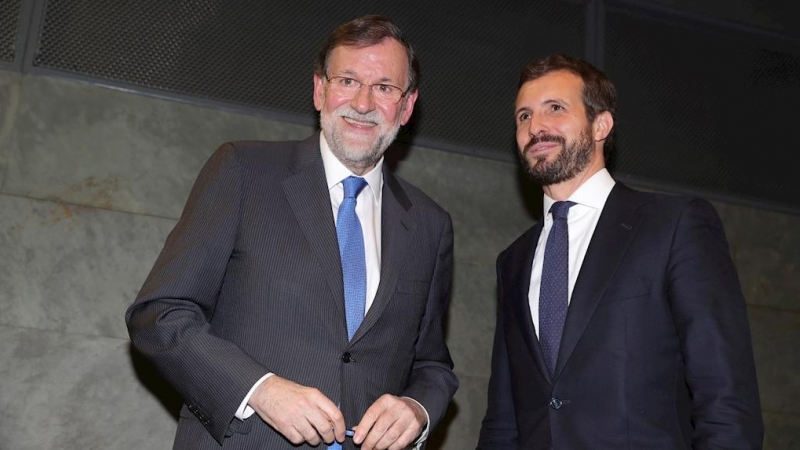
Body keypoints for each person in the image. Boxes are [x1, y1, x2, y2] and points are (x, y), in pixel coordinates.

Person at [126, 15, 458, 450]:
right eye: (348, 80)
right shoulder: (243, 171)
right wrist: (259, 389)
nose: (362, 102)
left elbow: (432, 364)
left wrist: (417, 408)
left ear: (407, 105)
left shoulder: (430, 225)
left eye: (383, 87)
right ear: (320, 90)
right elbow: (160, 314)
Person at [477, 54, 763, 449]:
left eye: (555, 109)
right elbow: (504, 420)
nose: (535, 127)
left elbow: (726, 398)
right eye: (523, 116)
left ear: (601, 125)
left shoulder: (675, 226)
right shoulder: (513, 261)